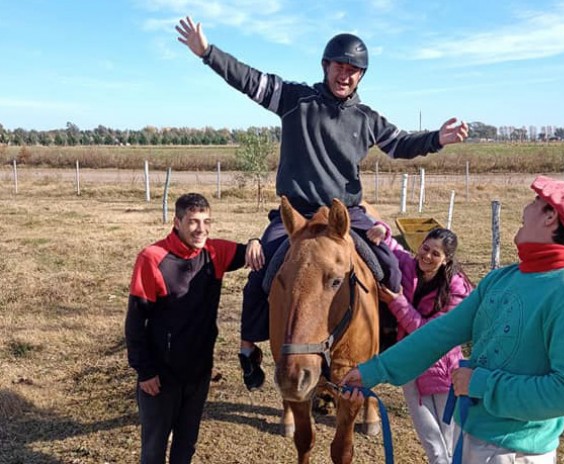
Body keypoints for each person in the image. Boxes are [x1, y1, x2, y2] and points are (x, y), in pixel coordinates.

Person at [175, 16, 470, 391]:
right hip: (296, 215)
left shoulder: (367, 119)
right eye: (339, 67)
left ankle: (386, 348)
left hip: (346, 215)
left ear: (361, 75)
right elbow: (249, 80)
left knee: (390, 271)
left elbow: (401, 144)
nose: (345, 75)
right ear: (325, 67)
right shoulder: (295, 100)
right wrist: (208, 53)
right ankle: (250, 349)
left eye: (353, 70)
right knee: (263, 271)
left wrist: (436, 139)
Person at [342, 176, 564, 463]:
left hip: (516, 452)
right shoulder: (501, 279)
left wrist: (481, 384)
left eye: (535, 203)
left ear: (550, 217)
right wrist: (375, 370)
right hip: (470, 435)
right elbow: (440, 332)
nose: (526, 209)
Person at [125, 193, 263, 464]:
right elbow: (135, 322)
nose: (201, 229)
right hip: (161, 377)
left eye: (206, 221)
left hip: (199, 373)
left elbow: (248, 251)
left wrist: (255, 242)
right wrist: (145, 371)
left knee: (185, 448)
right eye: (193, 222)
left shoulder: (215, 253)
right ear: (177, 222)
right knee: (153, 452)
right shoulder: (152, 259)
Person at [367, 224, 473, 464]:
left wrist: (397, 302)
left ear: (446, 260)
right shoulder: (407, 264)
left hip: (444, 370)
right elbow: (391, 245)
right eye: (425, 248)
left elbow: (431, 335)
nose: (427, 256)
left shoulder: (457, 289)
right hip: (411, 366)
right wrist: (382, 229)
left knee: (451, 441)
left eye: (436, 254)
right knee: (432, 442)